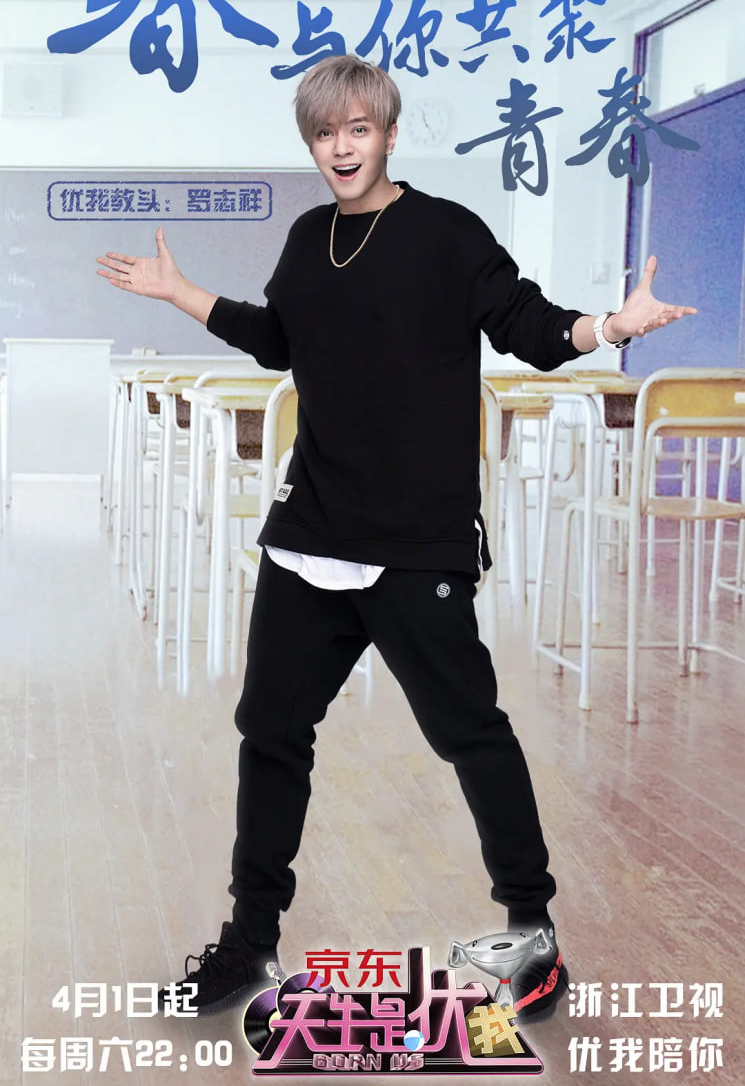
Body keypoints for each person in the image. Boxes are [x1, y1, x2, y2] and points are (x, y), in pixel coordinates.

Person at [97, 55, 696, 1023]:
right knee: (270, 732)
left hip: (416, 542)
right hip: (310, 533)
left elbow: (529, 327)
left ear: (386, 132)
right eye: (324, 133)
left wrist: (608, 327)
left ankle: (532, 934)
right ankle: (250, 940)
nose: (340, 147)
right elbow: (279, 339)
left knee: (470, 732)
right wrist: (182, 294)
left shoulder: (447, 232)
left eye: (357, 128)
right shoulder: (307, 238)